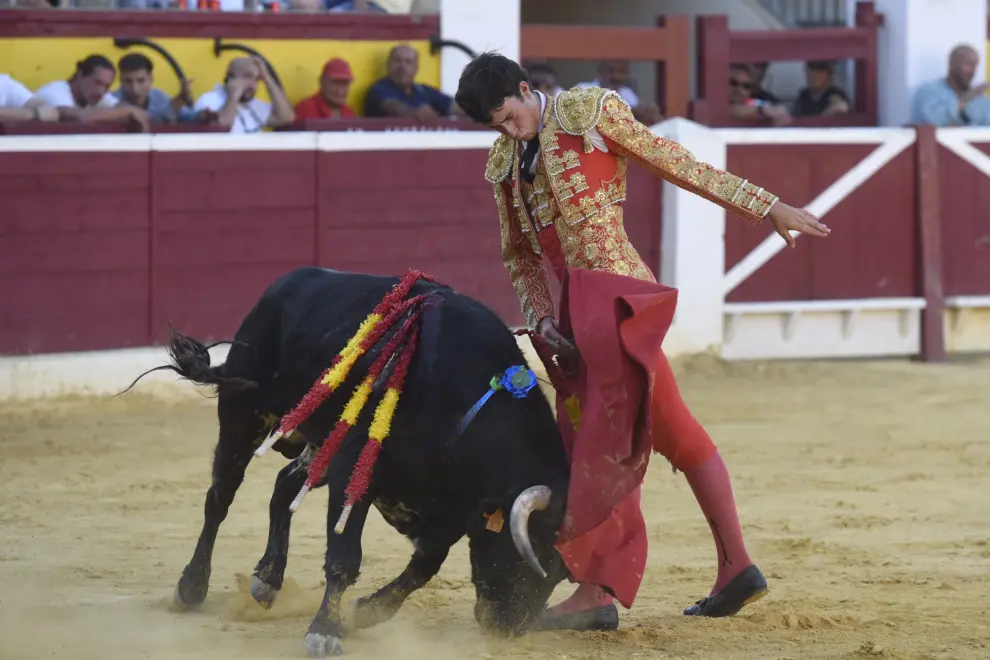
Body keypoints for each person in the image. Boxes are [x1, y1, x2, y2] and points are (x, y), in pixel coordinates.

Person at [455, 53, 830, 631]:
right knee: (671, 432)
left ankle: (599, 591)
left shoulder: (587, 110)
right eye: (496, 125)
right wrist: (542, 317)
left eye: (510, 116)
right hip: (579, 320)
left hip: (620, 299)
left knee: (603, 437)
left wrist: (764, 206)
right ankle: (736, 568)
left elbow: (677, 163)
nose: (508, 131)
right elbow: (521, 254)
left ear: (527, 90)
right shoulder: (505, 160)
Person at [364, 44, 464, 121]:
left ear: (416, 68)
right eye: (397, 60)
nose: (402, 67)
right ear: (388, 64)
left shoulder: (423, 90)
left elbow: (455, 107)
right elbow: (391, 106)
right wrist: (415, 113)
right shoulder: (379, 89)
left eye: (408, 62)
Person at [194, 57, 294, 134]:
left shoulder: (253, 105)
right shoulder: (209, 99)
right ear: (231, 77)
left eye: (257, 79)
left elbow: (286, 117)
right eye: (248, 77)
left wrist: (267, 78)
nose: (252, 85)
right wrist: (232, 98)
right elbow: (220, 128)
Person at [911, 44, 990, 126]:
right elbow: (934, 121)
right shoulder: (927, 92)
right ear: (953, 64)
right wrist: (966, 98)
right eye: (969, 64)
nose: (973, 71)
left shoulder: (981, 99)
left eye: (975, 65)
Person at [113, 53, 197, 124]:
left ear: (151, 79)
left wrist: (203, 115)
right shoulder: (112, 100)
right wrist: (179, 101)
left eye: (141, 81)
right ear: (120, 80)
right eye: (128, 81)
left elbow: (188, 116)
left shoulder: (159, 96)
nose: (135, 88)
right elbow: (146, 118)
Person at [294, 57, 357, 122]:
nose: (340, 91)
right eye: (335, 84)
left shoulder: (349, 113)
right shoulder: (307, 108)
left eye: (345, 84)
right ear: (322, 82)